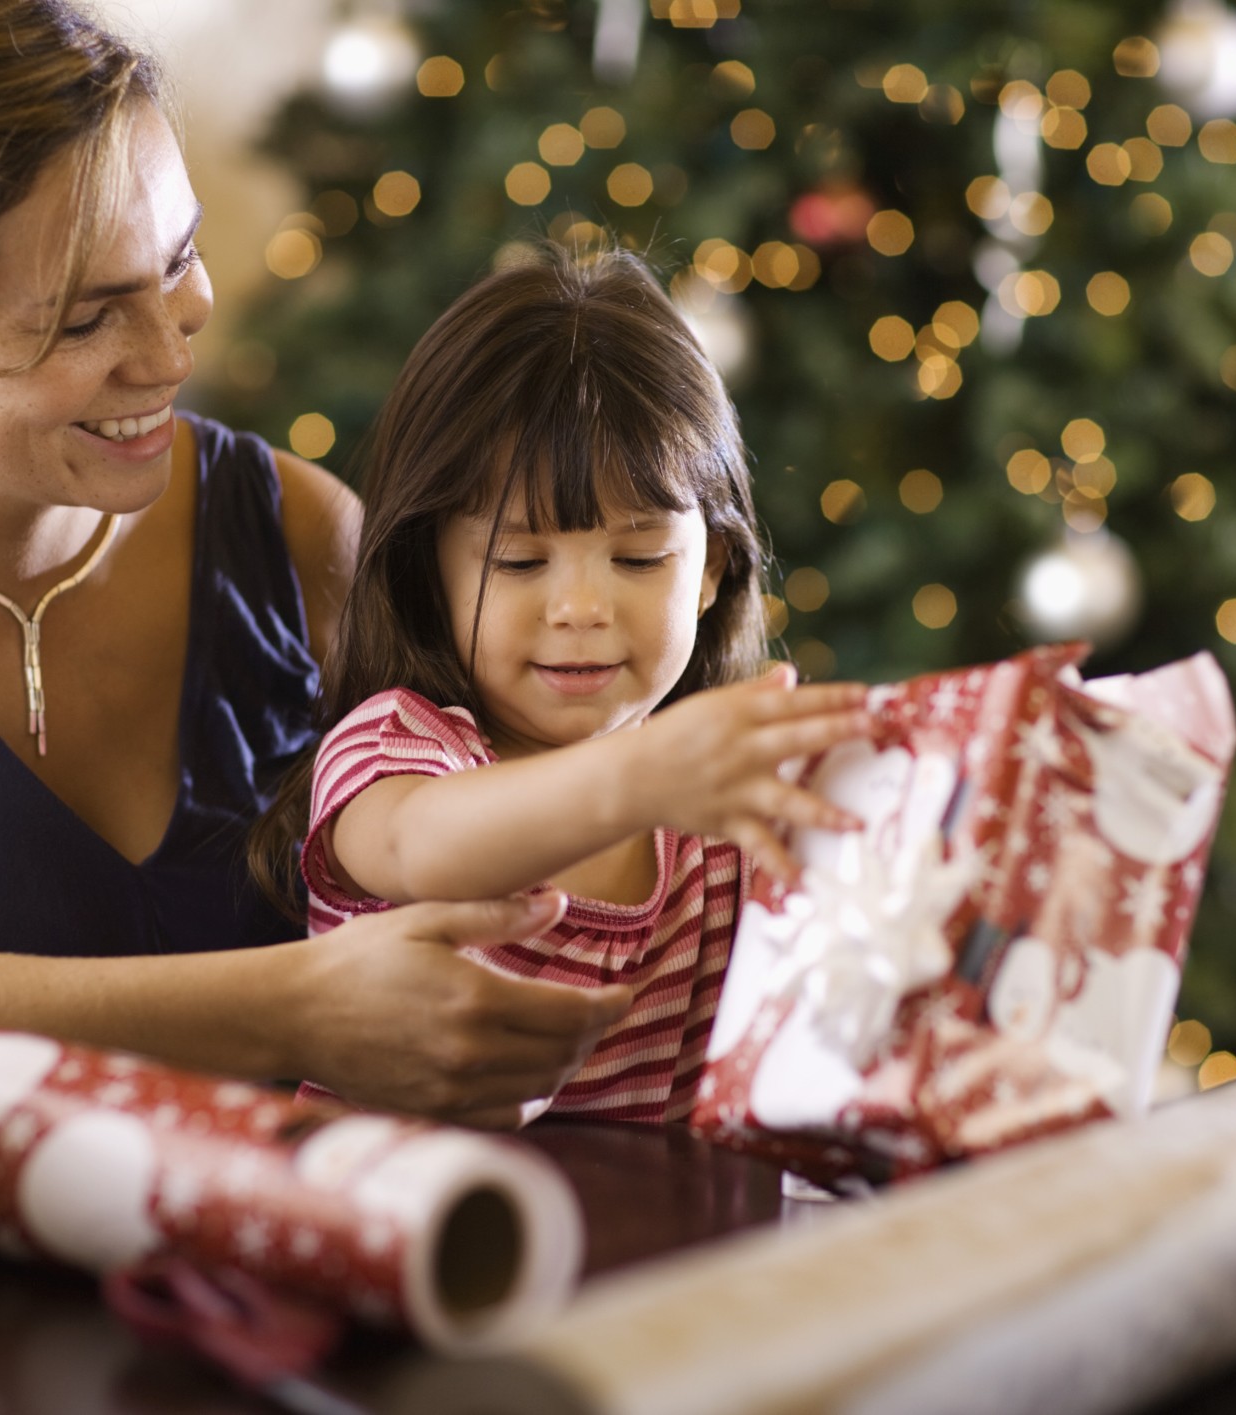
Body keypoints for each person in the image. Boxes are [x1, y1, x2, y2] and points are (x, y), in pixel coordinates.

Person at [0, 0, 630, 1127]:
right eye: (85, 323)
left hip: (292, 1262)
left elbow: (552, 828)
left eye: (177, 258)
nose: (174, 341)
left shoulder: (295, 530)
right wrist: (287, 1005)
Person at [252, 249, 869, 1123]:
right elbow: (420, 848)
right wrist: (642, 778)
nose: (580, 607)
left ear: (710, 570)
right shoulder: (397, 745)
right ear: (432, 569)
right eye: (519, 560)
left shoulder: (721, 824)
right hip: (400, 1227)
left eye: (639, 557)